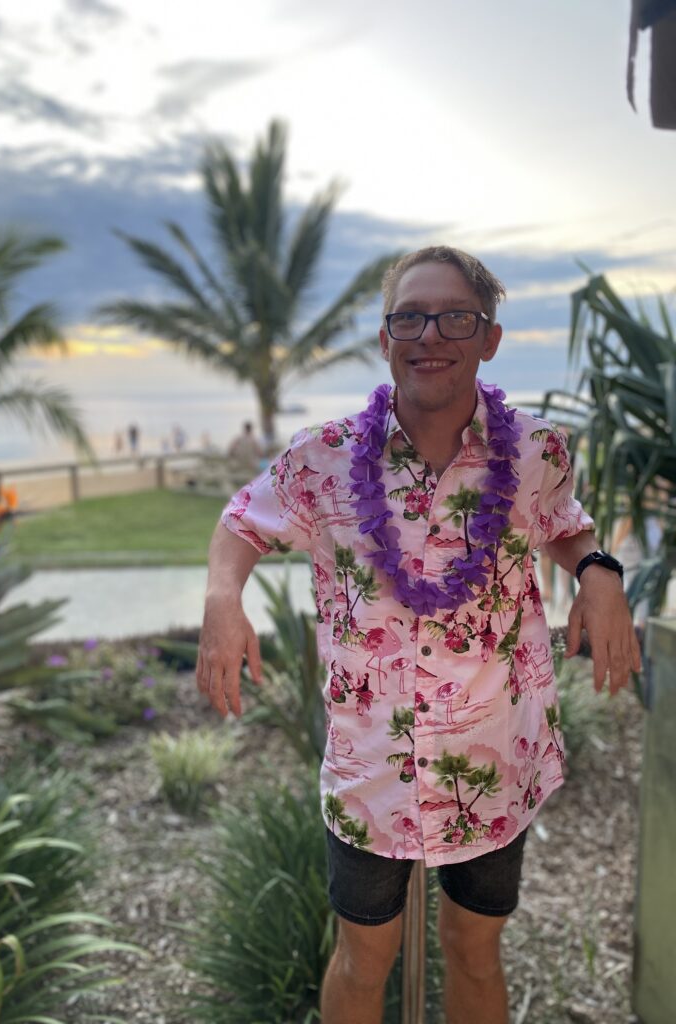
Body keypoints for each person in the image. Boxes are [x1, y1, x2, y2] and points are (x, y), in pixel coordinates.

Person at [196, 246, 641, 1024]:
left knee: (474, 950)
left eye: (455, 317)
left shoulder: (537, 451)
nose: (429, 333)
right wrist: (222, 599)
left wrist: (598, 572)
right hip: (375, 765)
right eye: (409, 316)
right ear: (385, 337)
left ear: (489, 339)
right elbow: (241, 523)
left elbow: (566, 526)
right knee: (362, 961)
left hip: (493, 761)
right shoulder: (322, 457)